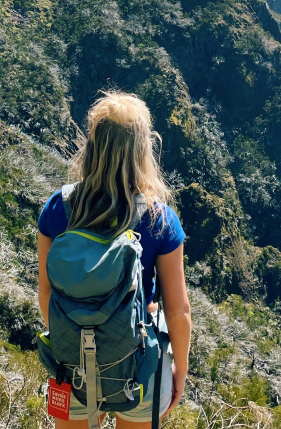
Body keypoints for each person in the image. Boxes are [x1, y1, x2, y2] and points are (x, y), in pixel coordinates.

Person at [37, 91, 192, 428]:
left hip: (71, 369)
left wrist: (74, 341)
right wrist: (179, 370)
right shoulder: (160, 219)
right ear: (142, 151)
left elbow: (46, 294)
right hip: (138, 370)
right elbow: (178, 310)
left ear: (91, 147)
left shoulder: (56, 208)